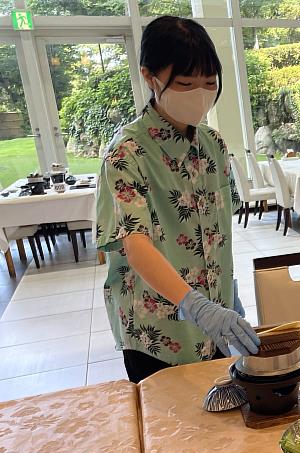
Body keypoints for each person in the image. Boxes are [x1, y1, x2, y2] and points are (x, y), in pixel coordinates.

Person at [96, 16, 259, 384]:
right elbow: (135, 244)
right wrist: (194, 304)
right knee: (168, 434)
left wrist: (227, 296)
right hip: (157, 334)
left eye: (209, 84)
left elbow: (219, 231)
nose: (199, 95)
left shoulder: (213, 146)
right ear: (149, 76)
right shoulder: (127, 154)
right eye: (185, 83)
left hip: (216, 325)